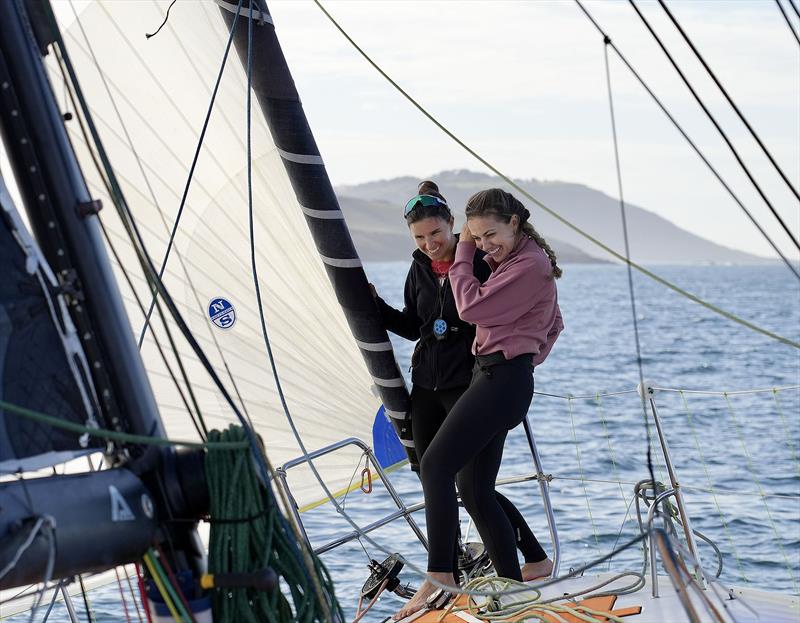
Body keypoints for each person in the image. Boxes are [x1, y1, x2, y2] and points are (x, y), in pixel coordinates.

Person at [372, 183, 554, 620]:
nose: (429, 244)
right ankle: (514, 586)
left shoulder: (504, 264)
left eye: (436, 234)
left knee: (442, 470)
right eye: (419, 238)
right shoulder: (485, 262)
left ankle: (442, 578)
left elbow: (471, 310)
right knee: (469, 487)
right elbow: (419, 324)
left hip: (486, 382)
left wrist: (521, 359)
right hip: (470, 379)